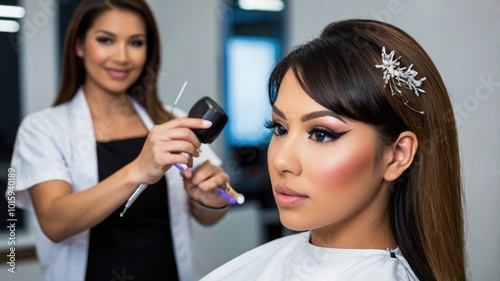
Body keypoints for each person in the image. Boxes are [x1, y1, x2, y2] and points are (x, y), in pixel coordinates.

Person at [201, 19, 466, 281]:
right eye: (279, 128)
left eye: (321, 134)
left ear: (397, 155)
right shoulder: (266, 260)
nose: (281, 160)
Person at [9, 0, 231, 280]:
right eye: (106, 40)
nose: (122, 57)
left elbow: (208, 217)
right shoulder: (42, 129)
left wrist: (210, 200)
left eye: (136, 43)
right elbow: (55, 222)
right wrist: (137, 170)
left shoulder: (172, 120)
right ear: (79, 45)